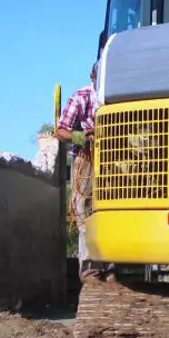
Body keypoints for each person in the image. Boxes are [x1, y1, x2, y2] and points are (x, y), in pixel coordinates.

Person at [56, 62, 107, 280]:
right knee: (84, 210)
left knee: (108, 211)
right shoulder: (81, 97)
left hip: (113, 159)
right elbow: (60, 131)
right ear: (93, 76)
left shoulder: (119, 95)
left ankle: (111, 266)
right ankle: (89, 266)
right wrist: (82, 137)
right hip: (86, 159)